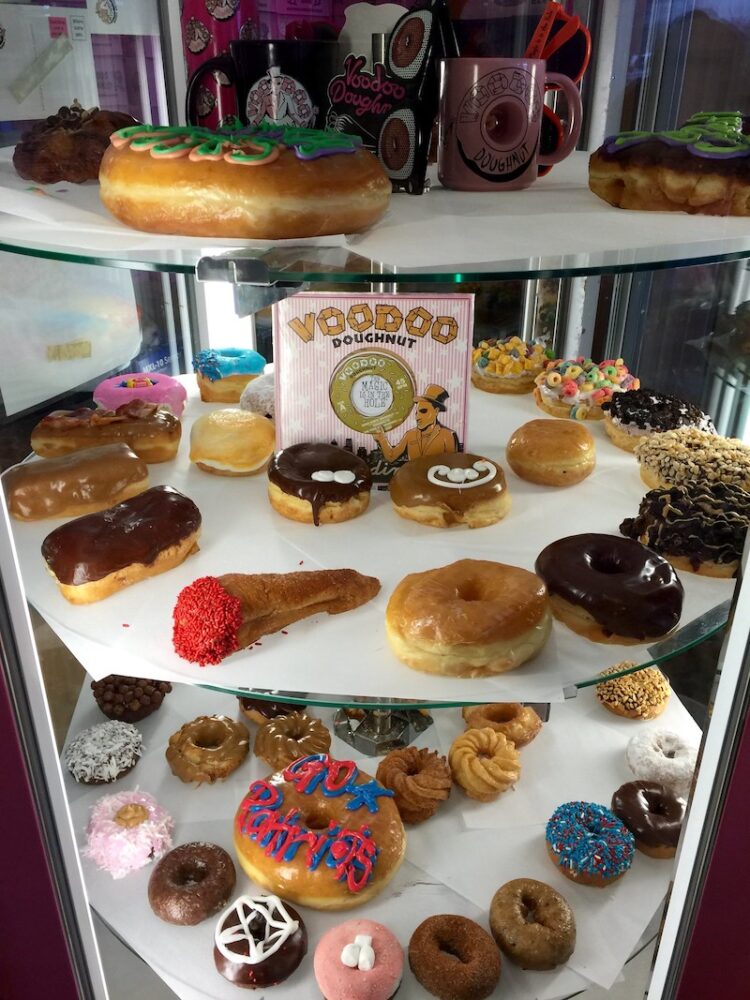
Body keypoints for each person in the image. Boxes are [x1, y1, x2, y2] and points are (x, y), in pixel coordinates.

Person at [372, 384, 459, 462]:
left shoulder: (447, 436)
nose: (417, 417)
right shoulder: (410, 435)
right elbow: (391, 456)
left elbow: (452, 465)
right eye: (416, 413)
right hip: (413, 478)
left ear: (436, 411)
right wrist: (381, 439)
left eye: (423, 411)